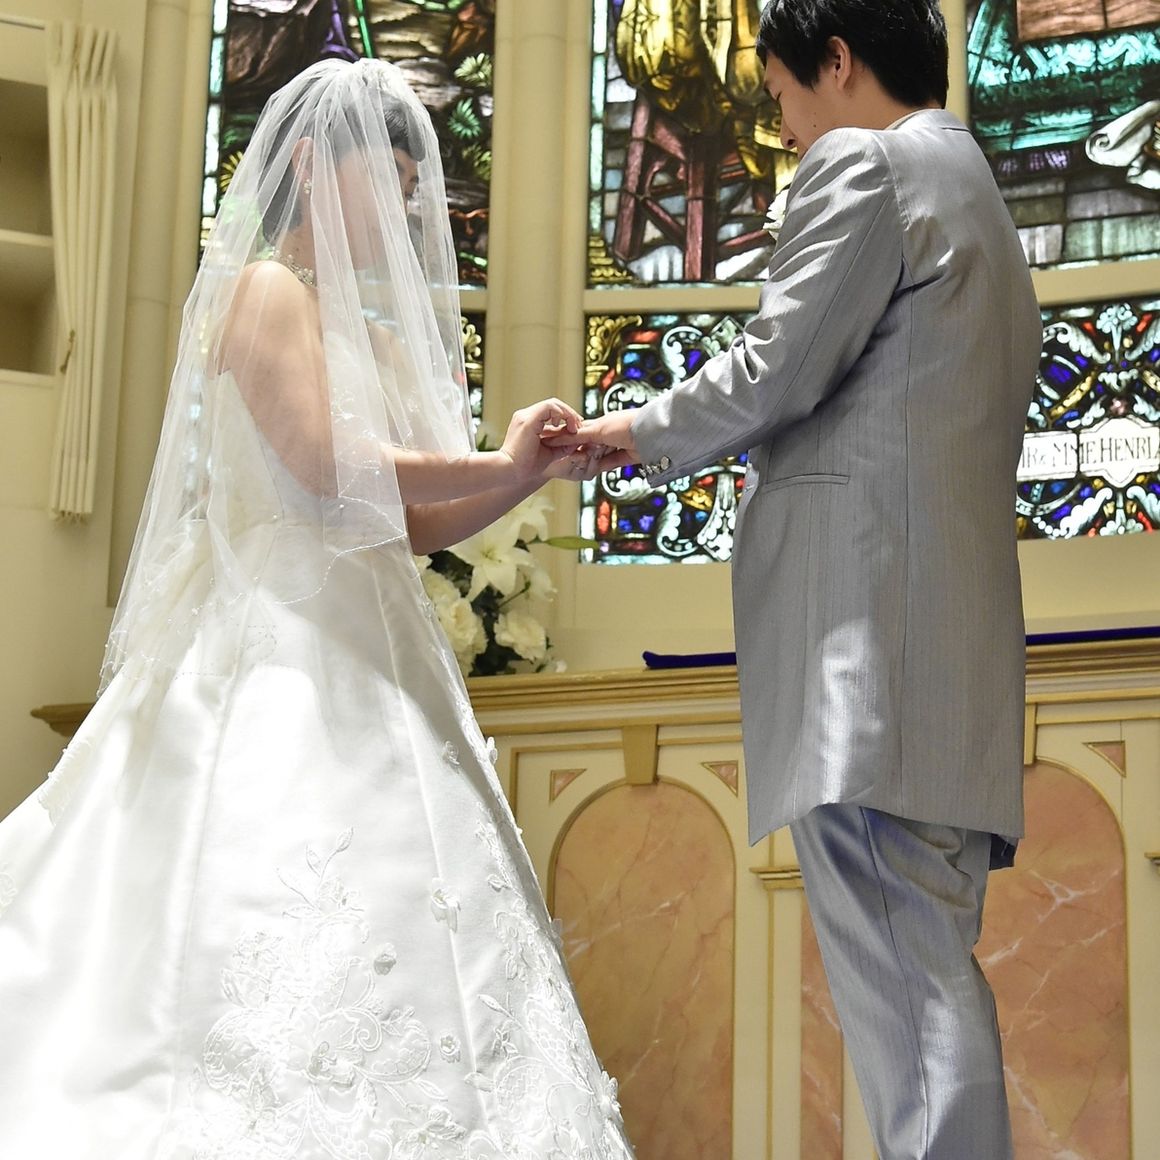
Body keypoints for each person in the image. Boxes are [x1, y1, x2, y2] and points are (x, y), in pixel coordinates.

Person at [0, 58, 633, 1160]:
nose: (402, 206)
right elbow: (322, 466)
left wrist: (526, 472)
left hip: (379, 642)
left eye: (409, 186)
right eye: (384, 179)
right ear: (306, 165)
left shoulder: (374, 339)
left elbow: (414, 523)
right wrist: (496, 458)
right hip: (277, 643)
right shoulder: (262, 291)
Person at [552, 2, 1041, 1157]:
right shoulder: (972, 186)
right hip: (943, 654)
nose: (779, 128)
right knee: (927, 975)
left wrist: (623, 434)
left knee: (909, 1001)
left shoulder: (867, 166)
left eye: (778, 96)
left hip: (863, 652)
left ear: (837, 59)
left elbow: (776, 366)